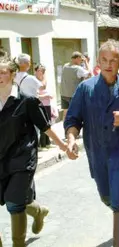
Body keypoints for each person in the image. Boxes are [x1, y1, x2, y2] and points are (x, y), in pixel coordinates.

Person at [64, 39, 119, 247]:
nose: (108, 64)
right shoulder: (85, 88)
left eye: (113, 60)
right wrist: (71, 139)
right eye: (104, 59)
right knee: (107, 197)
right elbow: (73, 119)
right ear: (98, 62)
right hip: (98, 154)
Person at [0, 50, 67, 246]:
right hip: (1, 157)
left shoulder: (26, 100)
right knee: (16, 199)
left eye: (3, 72)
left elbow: (45, 126)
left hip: (22, 157)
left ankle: (18, 243)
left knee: (14, 202)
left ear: (13, 75)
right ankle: (39, 211)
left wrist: (63, 146)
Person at [60, 51, 91, 121]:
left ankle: (65, 129)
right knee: (75, 114)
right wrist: (86, 62)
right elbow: (90, 74)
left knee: (65, 113)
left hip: (64, 94)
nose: (81, 61)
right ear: (77, 58)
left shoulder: (65, 66)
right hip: (73, 95)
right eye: (80, 59)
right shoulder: (77, 69)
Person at [35, 64, 54, 149]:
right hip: (40, 105)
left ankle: (47, 143)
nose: (41, 72)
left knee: (48, 123)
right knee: (43, 124)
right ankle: (42, 145)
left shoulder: (44, 80)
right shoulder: (35, 81)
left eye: (42, 71)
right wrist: (46, 96)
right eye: (39, 70)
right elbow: (36, 96)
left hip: (47, 104)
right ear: (35, 71)